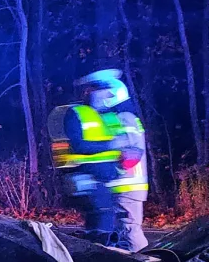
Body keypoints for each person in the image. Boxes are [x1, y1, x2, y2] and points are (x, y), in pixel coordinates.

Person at [48, 73, 130, 246]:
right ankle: (97, 260)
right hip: (86, 178)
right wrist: (111, 144)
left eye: (109, 92)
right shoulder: (76, 113)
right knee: (102, 221)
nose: (107, 96)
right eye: (103, 91)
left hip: (109, 180)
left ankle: (92, 257)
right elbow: (78, 145)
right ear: (90, 91)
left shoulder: (109, 117)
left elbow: (122, 146)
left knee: (103, 225)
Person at [77, 69, 149, 251]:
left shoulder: (124, 119)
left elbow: (131, 153)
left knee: (130, 231)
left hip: (128, 185)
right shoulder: (119, 117)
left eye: (96, 91)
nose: (92, 96)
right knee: (120, 233)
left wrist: (113, 171)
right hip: (121, 185)